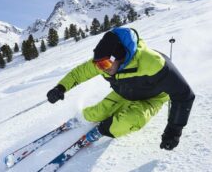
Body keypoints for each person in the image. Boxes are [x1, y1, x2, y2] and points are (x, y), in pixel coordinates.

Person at [46, 27, 195, 150]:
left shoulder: (153, 63)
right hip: (125, 92)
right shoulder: (103, 62)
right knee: (97, 112)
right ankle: (82, 119)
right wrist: (60, 88)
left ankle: (103, 129)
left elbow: (184, 95)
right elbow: (80, 73)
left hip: (152, 97)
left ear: (120, 56)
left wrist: (173, 132)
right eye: (98, 65)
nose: (101, 69)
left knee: (126, 122)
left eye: (104, 65)